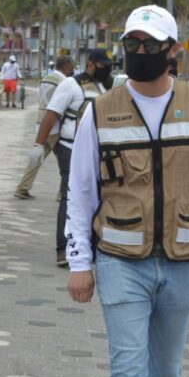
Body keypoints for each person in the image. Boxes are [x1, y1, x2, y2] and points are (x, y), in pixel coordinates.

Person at [66, 5, 189, 377]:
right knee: (127, 373)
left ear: (172, 50)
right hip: (120, 262)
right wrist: (80, 262)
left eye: (149, 44)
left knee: (166, 376)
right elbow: (80, 192)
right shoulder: (100, 111)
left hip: (183, 262)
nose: (139, 50)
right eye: (132, 43)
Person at [31, 49, 112, 266]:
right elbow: (51, 114)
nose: (106, 70)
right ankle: (62, 248)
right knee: (70, 195)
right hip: (69, 148)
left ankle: (89, 244)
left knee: (96, 196)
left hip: (96, 150)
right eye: (103, 65)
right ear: (90, 64)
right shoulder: (70, 85)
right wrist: (39, 144)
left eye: (109, 66)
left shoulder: (105, 87)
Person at [14, 55, 75, 199]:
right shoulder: (65, 82)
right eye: (72, 66)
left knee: (36, 158)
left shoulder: (45, 79)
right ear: (66, 66)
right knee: (66, 162)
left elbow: (39, 100)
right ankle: (63, 192)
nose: (73, 69)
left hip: (41, 125)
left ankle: (23, 187)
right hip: (55, 127)